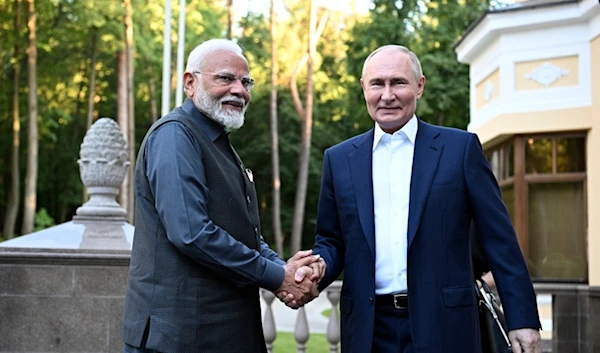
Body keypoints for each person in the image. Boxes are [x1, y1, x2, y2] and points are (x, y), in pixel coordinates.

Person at [305, 45, 542, 353]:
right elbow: (331, 239)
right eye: (377, 83)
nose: (387, 94)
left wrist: (522, 318)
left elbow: (501, 241)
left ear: (419, 86)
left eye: (398, 82)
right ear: (364, 88)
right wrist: (316, 268)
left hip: (446, 326)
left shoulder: (460, 149)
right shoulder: (338, 160)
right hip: (368, 328)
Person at [121, 39, 320, 353]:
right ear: (190, 82)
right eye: (225, 78)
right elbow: (192, 233)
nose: (239, 90)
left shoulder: (217, 142)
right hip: (179, 339)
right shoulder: (175, 136)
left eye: (246, 81)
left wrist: (282, 269)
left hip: (218, 336)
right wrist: (276, 276)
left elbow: (241, 232)